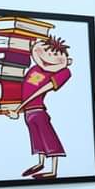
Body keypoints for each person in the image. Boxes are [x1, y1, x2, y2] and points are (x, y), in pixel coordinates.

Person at [10, 36, 73, 179]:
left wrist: (19, 109)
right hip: (28, 113)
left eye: (55, 54)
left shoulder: (63, 72)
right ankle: (40, 163)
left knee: (48, 138)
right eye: (47, 52)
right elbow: (25, 88)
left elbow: (39, 91)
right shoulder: (34, 70)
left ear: (67, 60)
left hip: (38, 111)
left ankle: (53, 171)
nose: (49, 57)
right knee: (37, 139)